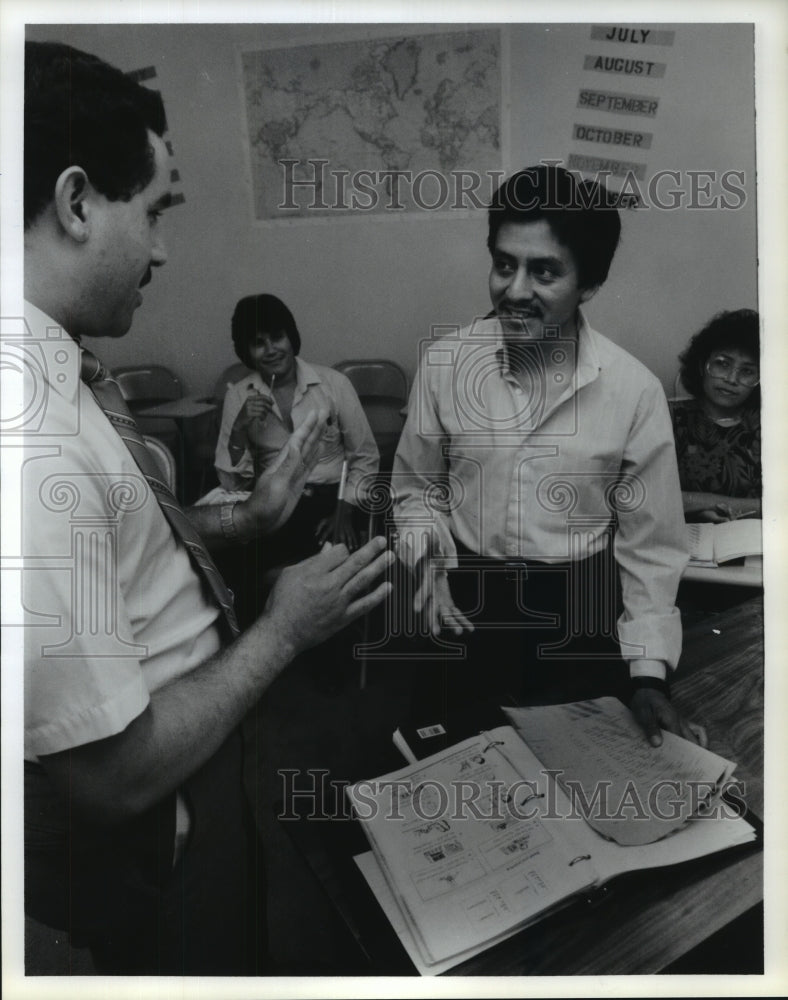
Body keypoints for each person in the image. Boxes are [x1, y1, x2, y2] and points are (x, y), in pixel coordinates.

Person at [21, 40, 393, 975]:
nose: (162, 248)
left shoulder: (62, 376)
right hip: (156, 830)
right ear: (75, 203)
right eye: (154, 211)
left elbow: (118, 548)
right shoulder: (28, 437)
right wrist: (280, 631)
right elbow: (107, 776)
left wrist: (251, 520)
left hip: (201, 774)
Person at [392, 163, 705, 748]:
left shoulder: (632, 391)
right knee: (461, 778)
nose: (514, 290)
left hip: (578, 614)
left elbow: (651, 550)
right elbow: (414, 490)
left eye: (543, 272)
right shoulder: (443, 365)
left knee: (578, 790)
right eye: (504, 264)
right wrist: (423, 543)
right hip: (466, 604)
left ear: (589, 283)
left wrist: (647, 673)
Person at [214, 293, 379, 566]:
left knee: (332, 568)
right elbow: (233, 485)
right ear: (247, 352)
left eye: (277, 337)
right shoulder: (239, 396)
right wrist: (239, 430)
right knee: (247, 572)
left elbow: (366, 457)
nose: (271, 350)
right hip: (271, 506)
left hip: (333, 501)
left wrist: (345, 510)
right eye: (258, 344)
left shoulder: (334, 385)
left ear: (291, 338)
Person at [671, 309, 760, 523]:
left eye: (747, 371)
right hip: (687, 541)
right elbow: (645, 493)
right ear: (702, 365)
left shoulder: (772, 424)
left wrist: (699, 502)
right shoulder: (667, 417)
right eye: (723, 363)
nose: (731, 379)